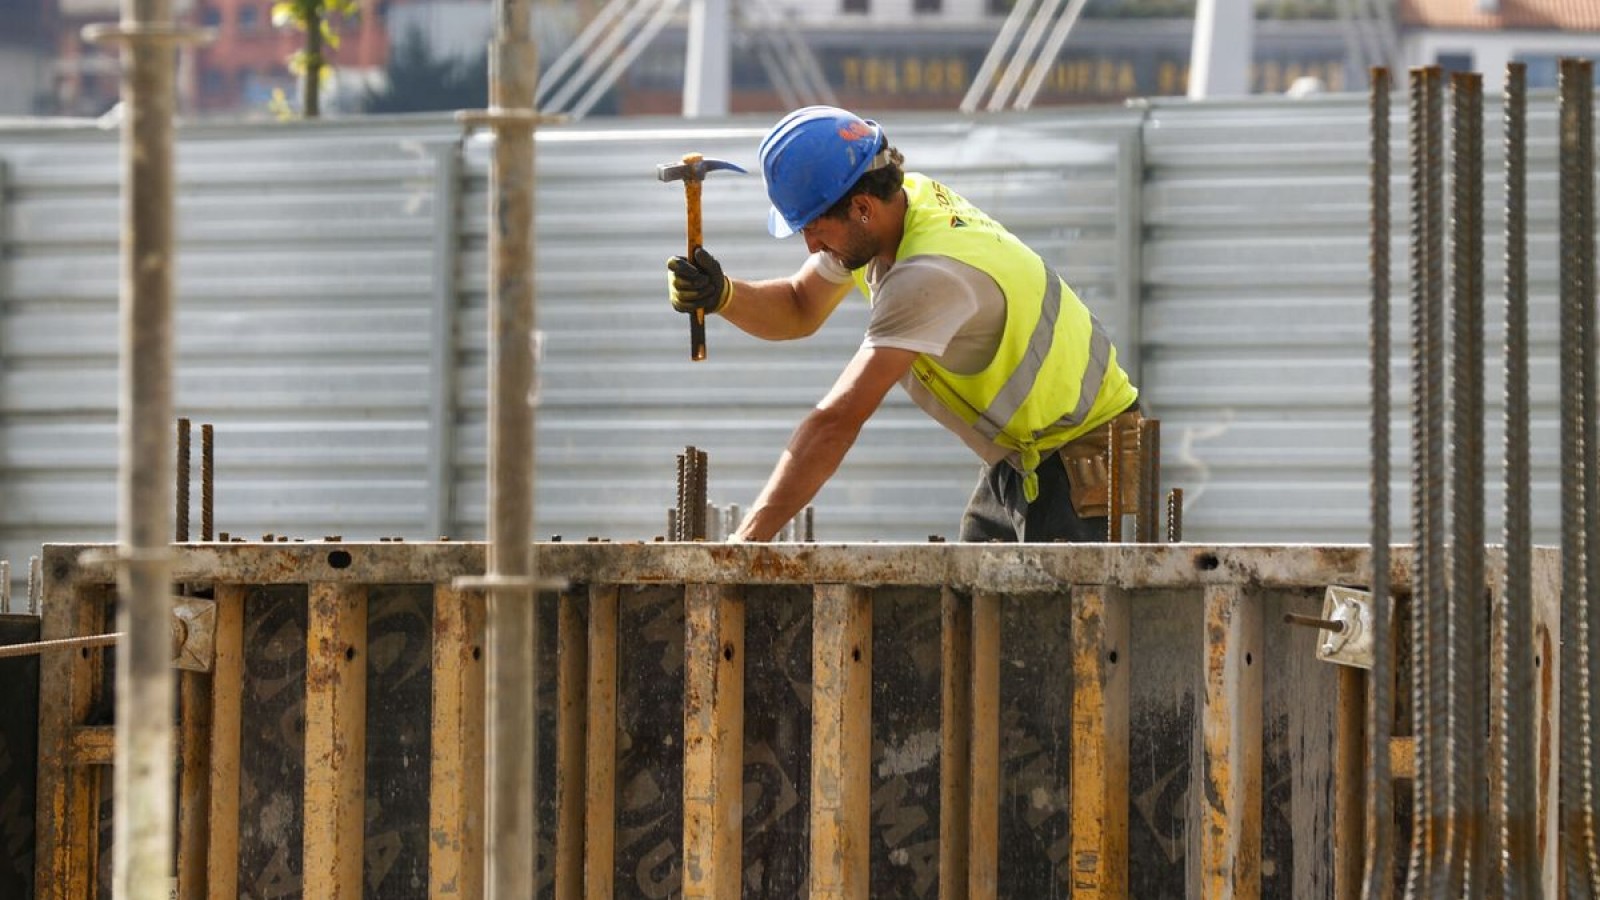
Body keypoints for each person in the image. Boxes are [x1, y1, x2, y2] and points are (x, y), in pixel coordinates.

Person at [667, 106, 1141, 543]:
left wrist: (742, 546)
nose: (811, 246)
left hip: (1090, 465)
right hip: (1026, 459)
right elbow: (798, 306)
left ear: (861, 209)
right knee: (976, 615)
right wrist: (722, 294)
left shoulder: (927, 274)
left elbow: (836, 422)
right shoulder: (896, 208)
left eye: (814, 227)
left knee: (1061, 632)